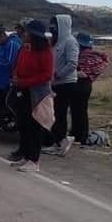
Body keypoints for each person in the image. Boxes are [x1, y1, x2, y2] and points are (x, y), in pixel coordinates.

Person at [8, 20, 55, 172]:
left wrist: (25, 81)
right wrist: (16, 77)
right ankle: (26, 155)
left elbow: (47, 75)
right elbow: (17, 65)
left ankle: (34, 160)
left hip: (37, 93)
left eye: (27, 32)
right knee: (23, 124)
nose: (24, 34)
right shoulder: (24, 48)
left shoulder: (45, 52)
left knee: (35, 126)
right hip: (21, 89)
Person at [41, 14, 79, 157]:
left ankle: (60, 142)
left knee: (59, 113)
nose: (52, 28)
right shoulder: (55, 41)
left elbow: (72, 63)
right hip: (55, 83)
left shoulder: (70, 42)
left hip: (66, 83)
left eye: (54, 25)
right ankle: (58, 141)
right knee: (55, 114)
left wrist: (58, 74)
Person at [72, 33, 108, 145]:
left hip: (79, 85)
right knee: (81, 111)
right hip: (87, 85)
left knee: (77, 111)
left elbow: (82, 73)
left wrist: (72, 73)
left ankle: (78, 136)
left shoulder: (83, 56)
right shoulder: (96, 56)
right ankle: (80, 135)